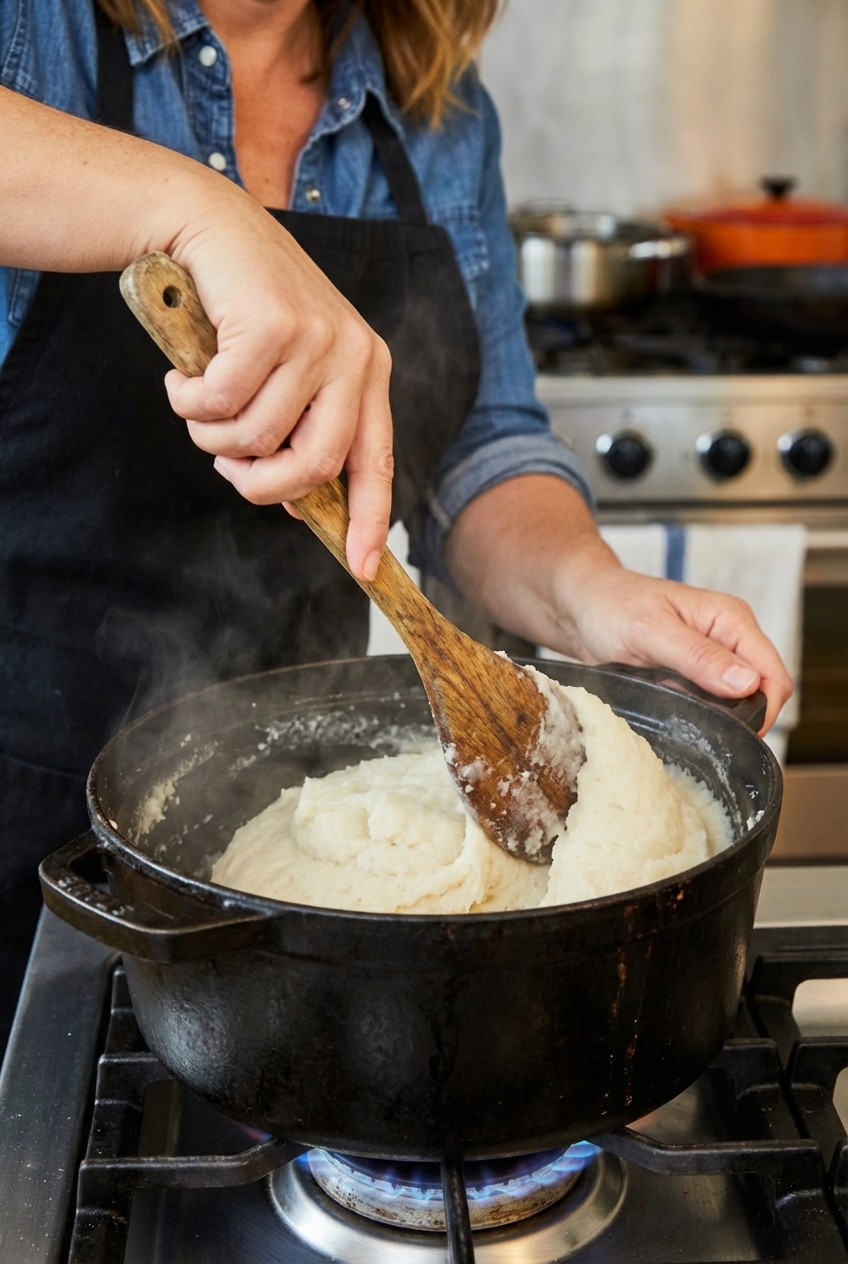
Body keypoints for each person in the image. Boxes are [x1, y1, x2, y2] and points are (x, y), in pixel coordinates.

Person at [0, 0, 792, 1051]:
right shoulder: (36, 29)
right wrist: (199, 209)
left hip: (276, 886)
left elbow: (478, 450)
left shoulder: (435, 114)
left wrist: (590, 592)